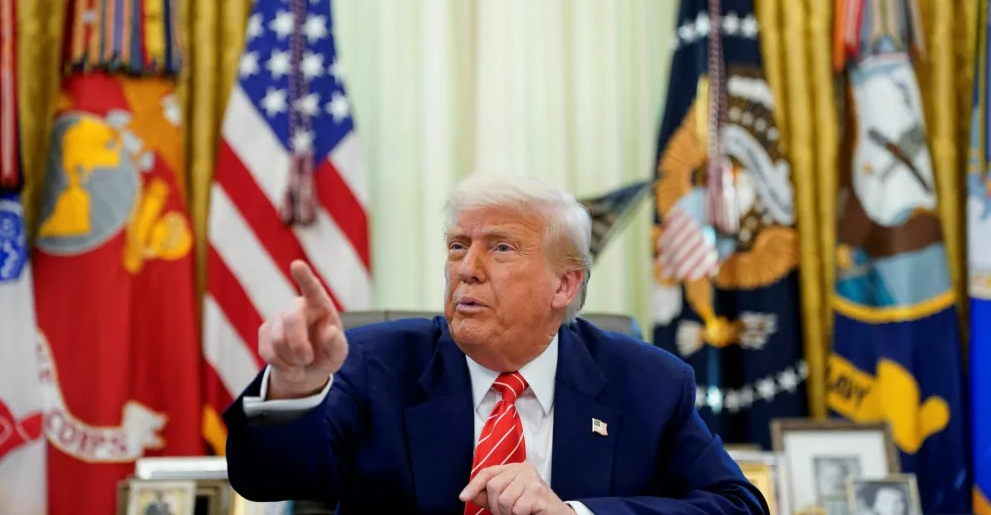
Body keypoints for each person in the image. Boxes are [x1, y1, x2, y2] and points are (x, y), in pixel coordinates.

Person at [223, 173, 769, 515]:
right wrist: (294, 384)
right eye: (457, 246)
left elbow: (737, 506)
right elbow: (267, 480)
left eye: (501, 248)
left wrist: (573, 514)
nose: (467, 269)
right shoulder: (373, 364)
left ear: (564, 284)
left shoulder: (647, 383)